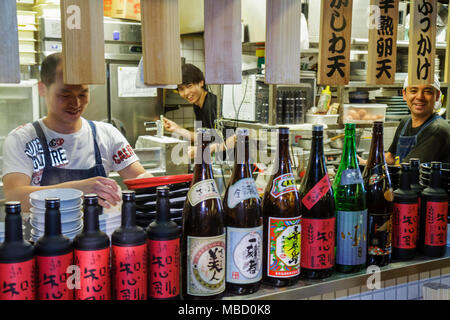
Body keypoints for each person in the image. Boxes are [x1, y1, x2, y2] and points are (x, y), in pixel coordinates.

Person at [2, 53, 151, 212]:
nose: (76, 103)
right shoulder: (22, 139)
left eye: (83, 94)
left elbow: (141, 181)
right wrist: (78, 190)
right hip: (43, 235)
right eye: (65, 95)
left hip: (98, 234)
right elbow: (15, 196)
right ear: (42, 88)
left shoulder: (107, 134)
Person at [359, 74, 450, 165]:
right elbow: (392, 157)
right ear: (404, 94)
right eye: (413, 91)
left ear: (437, 96)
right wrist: (364, 163)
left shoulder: (437, 129)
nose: (419, 97)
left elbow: (408, 170)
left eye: (427, 91)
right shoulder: (406, 121)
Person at [163, 63, 235, 158]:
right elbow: (205, 137)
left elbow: (235, 139)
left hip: (233, 162)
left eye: (189, 86)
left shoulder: (214, 104)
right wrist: (176, 129)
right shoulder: (198, 105)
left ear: (201, 82)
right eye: (181, 89)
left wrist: (205, 150)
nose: (186, 93)